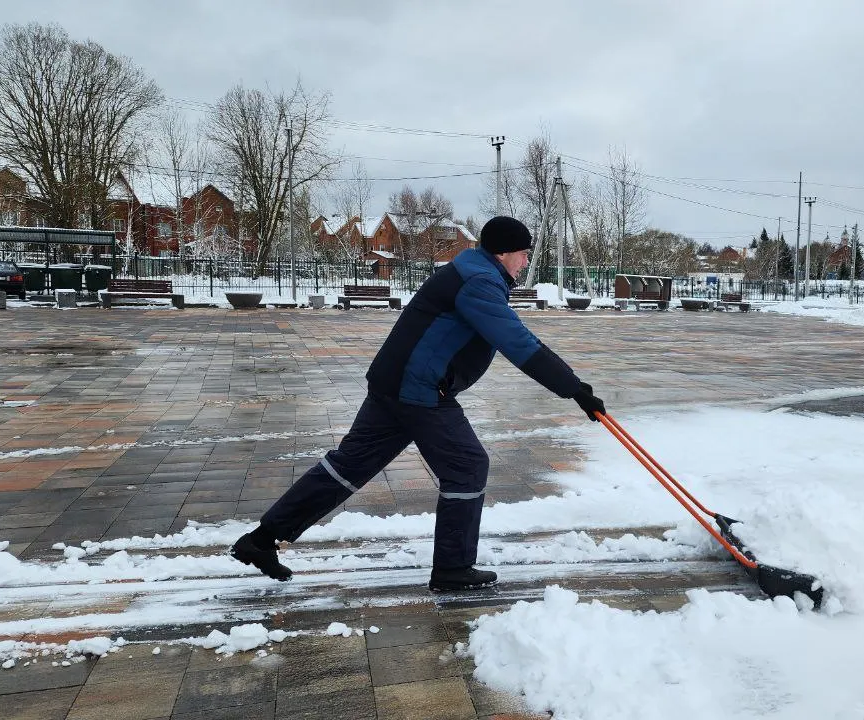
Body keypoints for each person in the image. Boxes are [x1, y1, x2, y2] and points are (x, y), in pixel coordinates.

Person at [231, 216, 606, 591]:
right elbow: (518, 342)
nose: (525, 262)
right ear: (503, 252)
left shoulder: (472, 271)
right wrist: (574, 389)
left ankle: (260, 541)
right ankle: (453, 568)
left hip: (394, 383)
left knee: (348, 466)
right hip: (419, 389)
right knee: (467, 464)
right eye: (523, 254)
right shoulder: (479, 281)